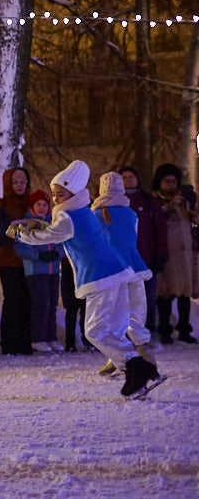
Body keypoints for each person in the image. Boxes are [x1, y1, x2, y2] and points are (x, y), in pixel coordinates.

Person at [9, 160, 159, 398]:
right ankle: (138, 372)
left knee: (95, 331)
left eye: (60, 194)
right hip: (117, 273)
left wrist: (23, 235)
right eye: (54, 194)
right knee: (115, 328)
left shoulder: (71, 216)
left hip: (101, 277)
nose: (55, 199)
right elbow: (60, 229)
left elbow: (53, 234)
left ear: (74, 192)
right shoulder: (81, 212)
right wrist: (38, 226)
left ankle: (137, 367)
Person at [92, 172, 155, 373]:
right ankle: (141, 349)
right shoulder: (131, 213)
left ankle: (120, 354)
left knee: (114, 314)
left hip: (112, 269)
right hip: (133, 265)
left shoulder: (95, 214)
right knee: (136, 309)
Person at [151, 163, 198, 344]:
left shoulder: (185, 199)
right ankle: (164, 330)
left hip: (184, 254)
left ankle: (184, 329)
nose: (171, 184)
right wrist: (170, 206)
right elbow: (155, 220)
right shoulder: (156, 201)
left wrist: (193, 206)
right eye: (167, 181)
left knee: (184, 293)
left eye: (173, 181)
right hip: (166, 253)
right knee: (165, 294)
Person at [119, 166, 167, 336]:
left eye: (131, 176)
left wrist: (161, 255)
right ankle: (124, 334)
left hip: (146, 259)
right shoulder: (114, 202)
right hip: (122, 261)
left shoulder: (148, 201)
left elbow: (159, 229)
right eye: (124, 177)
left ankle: (148, 332)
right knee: (124, 300)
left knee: (146, 299)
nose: (127, 180)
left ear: (138, 179)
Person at [0, 168, 34, 355]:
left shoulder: (32, 203)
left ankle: (25, 342)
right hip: (7, 260)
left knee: (27, 300)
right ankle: (8, 343)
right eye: (15, 182)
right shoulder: (1, 204)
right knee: (12, 300)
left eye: (22, 182)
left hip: (28, 259)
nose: (19, 185)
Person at [14, 190, 62, 352]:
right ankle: (38, 338)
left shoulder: (53, 223)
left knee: (52, 305)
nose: (42, 208)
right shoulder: (27, 224)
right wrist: (38, 256)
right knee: (41, 304)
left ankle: (51, 337)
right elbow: (20, 247)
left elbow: (61, 242)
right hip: (36, 271)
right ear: (32, 206)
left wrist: (57, 254)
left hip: (53, 270)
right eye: (38, 204)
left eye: (44, 205)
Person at [61, 258, 89, 352]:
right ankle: (70, 343)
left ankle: (86, 341)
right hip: (71, 268)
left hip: (83, 268)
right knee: (71, 310)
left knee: (84, 310)